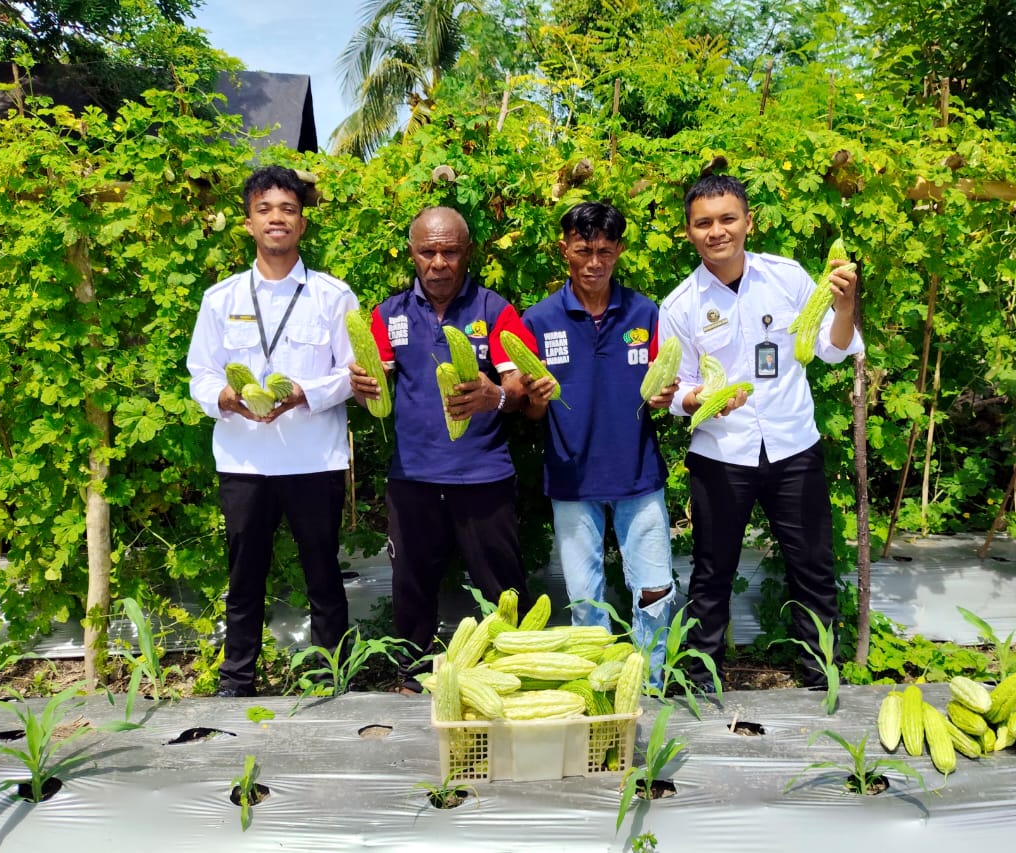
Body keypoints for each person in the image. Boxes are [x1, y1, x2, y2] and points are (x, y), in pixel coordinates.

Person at [657, 173, 862, 690]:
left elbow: (832, 349)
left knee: (812, 567)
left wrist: (844, 306)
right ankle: (700, 680)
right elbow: (674, 390)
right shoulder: (679, 305)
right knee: (712, 572)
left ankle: (820, 676)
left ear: (748, 222)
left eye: (728, 219)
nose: (717, 231)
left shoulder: (786, 277)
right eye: (703, 223)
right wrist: (699, 400)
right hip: (721, 454)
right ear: (689, 231)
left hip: (794, 447)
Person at [187, 165, 358, 698]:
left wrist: (305, 393)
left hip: (315, 458)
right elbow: (200, 373)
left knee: (323, 575)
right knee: (243, 578)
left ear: (302, 224)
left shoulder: (333, 296)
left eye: (287, 209)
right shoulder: (221, 299)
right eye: (264, 209)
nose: (276, 218)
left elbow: (354, 374)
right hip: (245, 461)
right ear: (249, 224)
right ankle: (237, 680)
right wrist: (225, 398)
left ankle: (331, 678)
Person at [350, 206, 533, 694]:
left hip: (483, 475)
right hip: (412, 475)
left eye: (449, 252)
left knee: (503, 588)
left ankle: (514, 672)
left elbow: (520, 385)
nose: (438, 263)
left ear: (466, 253)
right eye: (427, 252)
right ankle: (411, 676)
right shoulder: (388, 315)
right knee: (411, 586)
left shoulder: (494, 310)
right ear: (412, 253)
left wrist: (496, 396)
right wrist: (363, 387)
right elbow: (375, 384)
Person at [518, 201, 676, 688]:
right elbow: (530, 413)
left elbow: (664, 393)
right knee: (585, 600)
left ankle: (650, 685)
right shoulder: (538, 320)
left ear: (619, 250)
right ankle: (600, 690)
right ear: (564, 250)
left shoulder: (646, 313)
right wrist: (535, 400)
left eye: (605, 251)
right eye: (583, 251)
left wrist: (665, 396)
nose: (594, 263)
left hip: (638, 474)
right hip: (571, 479)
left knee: (654, 591)